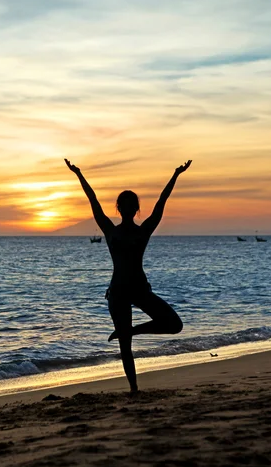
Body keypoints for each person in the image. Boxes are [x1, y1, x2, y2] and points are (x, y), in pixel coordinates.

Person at [65, 158, 192, 393]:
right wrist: (79, 174)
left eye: (130, 204)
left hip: (140, 289)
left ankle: (131, 330)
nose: (126, 208)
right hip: (119, 292)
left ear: (135, 209)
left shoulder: (143, 231)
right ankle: (134, 389)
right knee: (125, 345)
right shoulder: (110, 230)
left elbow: (161, 203)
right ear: (119, 208)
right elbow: (92, 200)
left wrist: (176, 175)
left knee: (174, 324)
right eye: (123, 204)